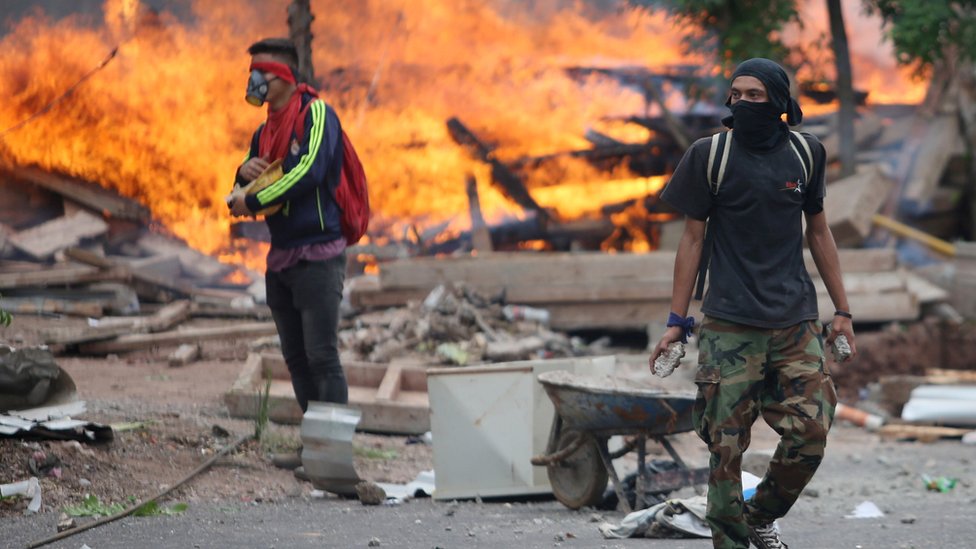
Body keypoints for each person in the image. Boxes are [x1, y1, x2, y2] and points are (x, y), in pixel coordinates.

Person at [649, 58, 857, 549]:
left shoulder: (808, 153)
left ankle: (758, 516)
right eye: (735, 94)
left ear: (780, 103)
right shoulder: (709, 155)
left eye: (754, 95)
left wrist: (842, 313)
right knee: (724, 448)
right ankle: (731, 540)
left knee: (811, 434)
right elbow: (692, 241)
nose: (741, 103)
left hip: (795, 322)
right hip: (729, 324)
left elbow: (820, 232)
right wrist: (677, 322)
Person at [227, 38, 348, 474]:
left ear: (280, 76)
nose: (253, 80)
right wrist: (241, 177)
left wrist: (252, 203)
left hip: (318, 256)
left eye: (259, 71)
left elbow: (309, 171)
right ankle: (312, 448)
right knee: (296, 358)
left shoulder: (317, 115)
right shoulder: (263, 132)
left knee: (322, 356)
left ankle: (332, 458)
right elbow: (242, 189)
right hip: (281, 258)